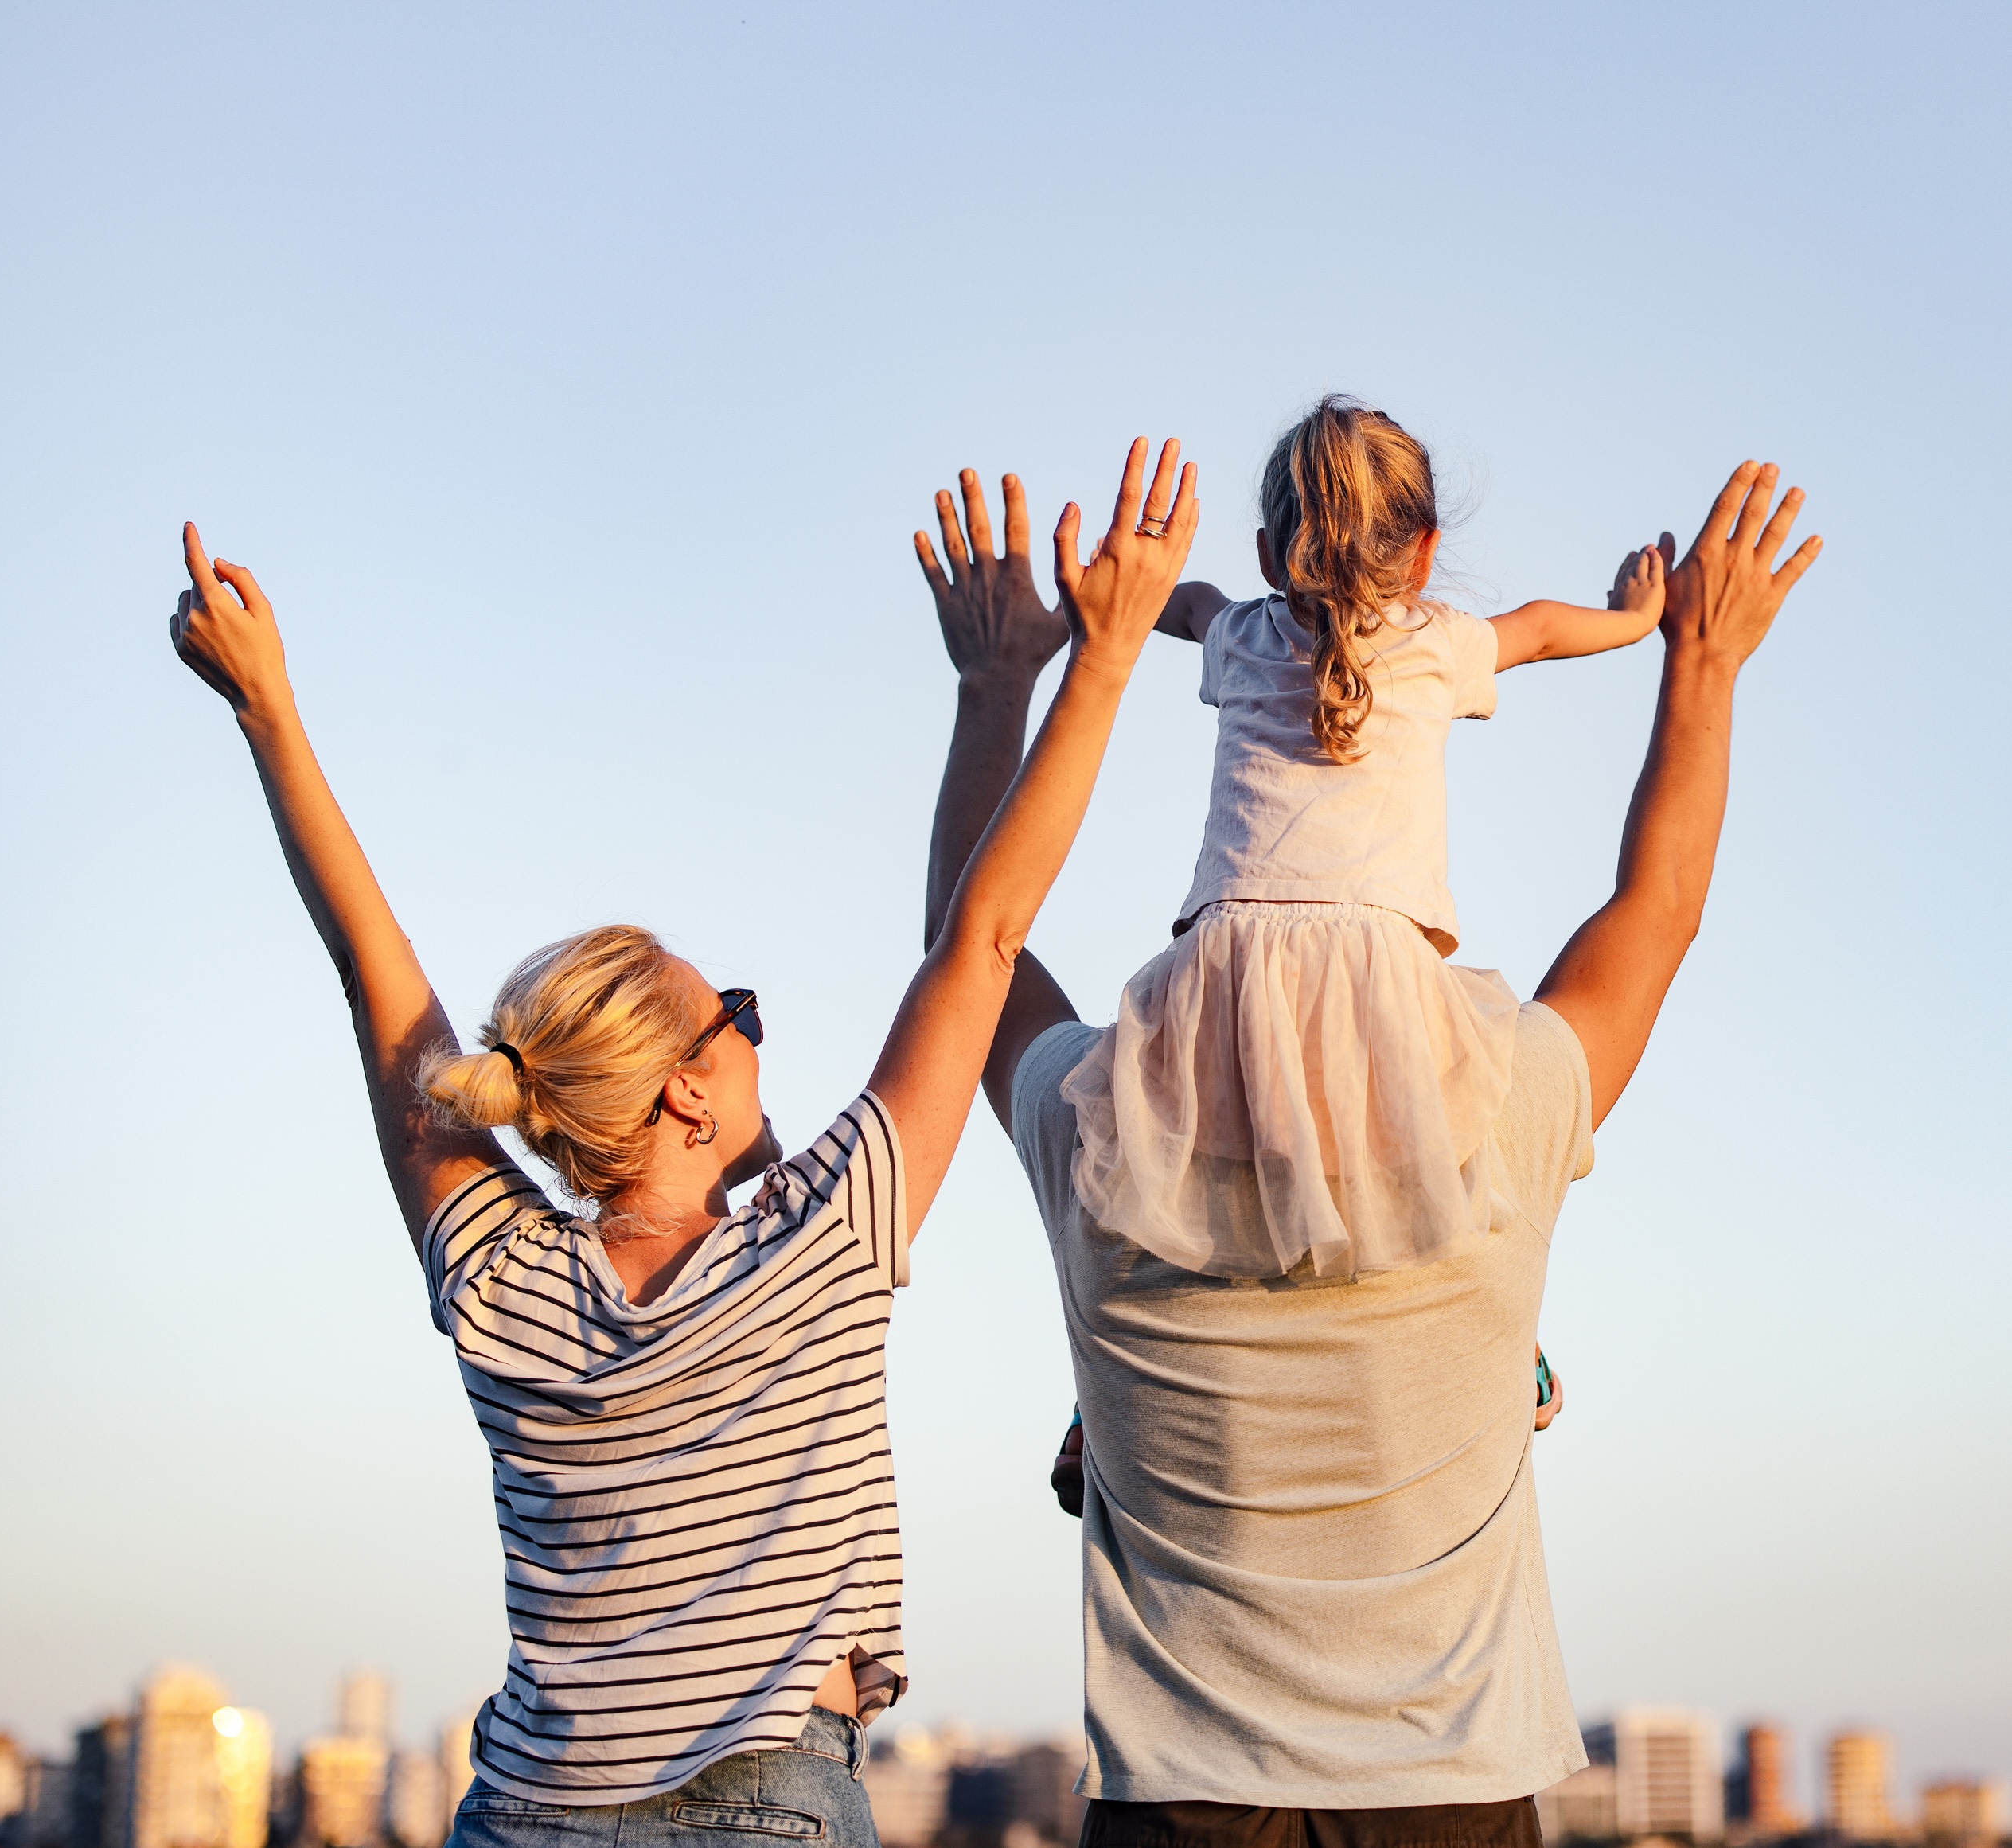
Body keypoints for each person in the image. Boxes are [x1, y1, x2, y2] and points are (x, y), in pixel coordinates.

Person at [166, 438, 1198, 1843]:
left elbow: (372, 970)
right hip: (757, 1809)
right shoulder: (819, 1232)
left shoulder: (500, 1282)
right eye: (739, 1016)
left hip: (524, 1810)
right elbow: (986, 933)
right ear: (687, 1097)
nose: (763, 1035)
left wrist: (268, 711)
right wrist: (1086, 661)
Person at [914, 458, 1819, 1846]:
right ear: (1427, 549)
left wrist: (1000, 685)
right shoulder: (1503, 1110)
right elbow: (1661, 907)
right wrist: (1697, 657)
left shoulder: (1096, 1134)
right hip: (1448, 1797)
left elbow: (967, 956)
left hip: (1177, 1806)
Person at [1070, 394, 1676, 1285]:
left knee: (1183, 1192)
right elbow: (1543, 628)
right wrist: (1632, 619)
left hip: (1223, 981)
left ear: (1270, 556)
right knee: (1432, 1177)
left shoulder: (1239, 633)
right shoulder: (1438, 642)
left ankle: (1106, 1371)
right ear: (1424, 553)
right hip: (1376, 978)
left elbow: (1190, 602)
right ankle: (1511, 1336)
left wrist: (1124, 590)